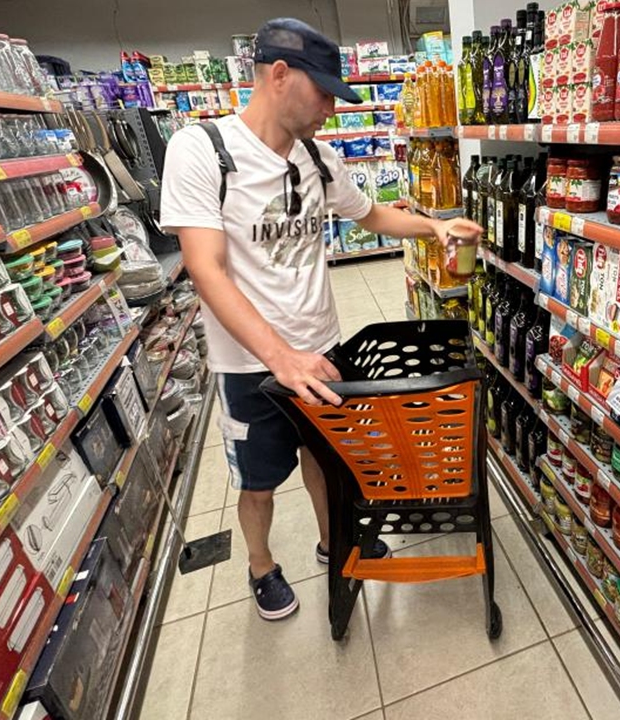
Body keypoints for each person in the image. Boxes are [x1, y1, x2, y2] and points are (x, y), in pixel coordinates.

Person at [160, 18, 482, 621]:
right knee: (258, 482)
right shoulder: (201, 150)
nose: (332, 109)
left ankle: (333, 540)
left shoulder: (319, 158)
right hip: (250, 364)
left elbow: (372, 216)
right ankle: (261, 565)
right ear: (280, 75)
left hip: (323, 347)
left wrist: (434, 227)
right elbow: (206, 269)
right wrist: (280, 357)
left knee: (326, 458)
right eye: (324, 93)